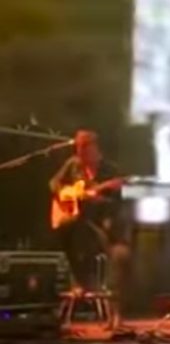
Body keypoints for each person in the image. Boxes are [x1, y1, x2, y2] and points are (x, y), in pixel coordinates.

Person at [49, 130, 130, 329]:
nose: (81, 154)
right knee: (66, 229)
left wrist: (99, 199)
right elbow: (53, 183)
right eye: (78, 149)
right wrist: (66, 193)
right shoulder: (73, 165)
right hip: (79, 227)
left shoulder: (110, 171)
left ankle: (115, 314)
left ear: (95, 148)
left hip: (104, 226)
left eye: (84, 148)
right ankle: (80, 282)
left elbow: (118, 203)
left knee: (120, 254)